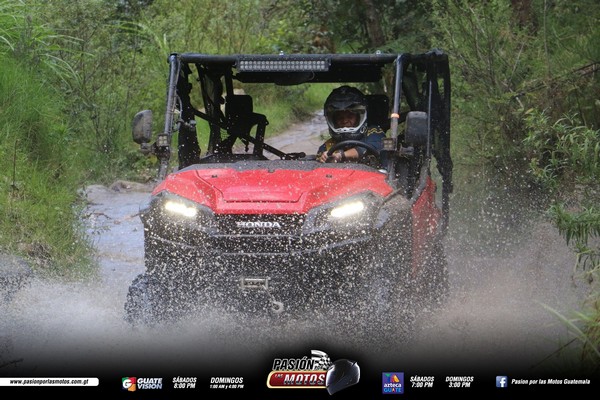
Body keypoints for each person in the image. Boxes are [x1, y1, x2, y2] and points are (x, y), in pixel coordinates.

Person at [317, 85, 386, 163]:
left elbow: (372, 146)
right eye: (340, 117)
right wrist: (324, 158)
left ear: (359, 117)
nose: (345, 121)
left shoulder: (374, 132)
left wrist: (341, 155)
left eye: (350, 116)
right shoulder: (327, 147)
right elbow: (318, 161)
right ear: (333, 120)